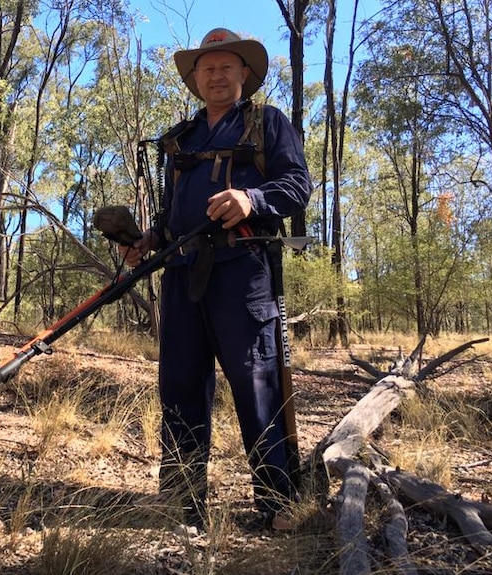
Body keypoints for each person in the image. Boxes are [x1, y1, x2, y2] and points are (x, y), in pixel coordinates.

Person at [122, 28, 312, 531]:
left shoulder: (268, 123)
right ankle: (183, 504)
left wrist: (252, 199)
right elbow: (169, 213)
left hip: (244, 274)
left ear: (244, 74)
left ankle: (277, 505)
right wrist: (148, 239)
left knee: (257, 384)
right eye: (208, 68)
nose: (217, 75)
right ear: (196, 78)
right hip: (182, 274)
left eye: (227, 66)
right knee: (180, 387)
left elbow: (297, 185)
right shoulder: (181, 139)